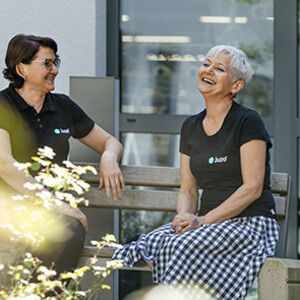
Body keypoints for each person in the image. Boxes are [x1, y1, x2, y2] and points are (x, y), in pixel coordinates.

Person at [112, 45, 279, 299]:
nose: (208, 70)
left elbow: (252, 188)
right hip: (206, 224)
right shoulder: (190, 126)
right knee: (153, 243)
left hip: (249, 224)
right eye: (206, 64)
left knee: (180, 246)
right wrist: (185, 216)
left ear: (236, 86)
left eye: (220, 69)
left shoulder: (248, 121)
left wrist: (202, 221)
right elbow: (188, 189)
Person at [0, 34, 125, 276]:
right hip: (8, 209)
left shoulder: (63, 106)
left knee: (71, 230)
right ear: (21, 69)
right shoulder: (2, 105)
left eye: (56, 62)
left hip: (52, 213)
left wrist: (109, 157)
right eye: (46, 63)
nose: (54, 70)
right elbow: (4, 163)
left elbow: (110, 142)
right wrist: (56, 204)